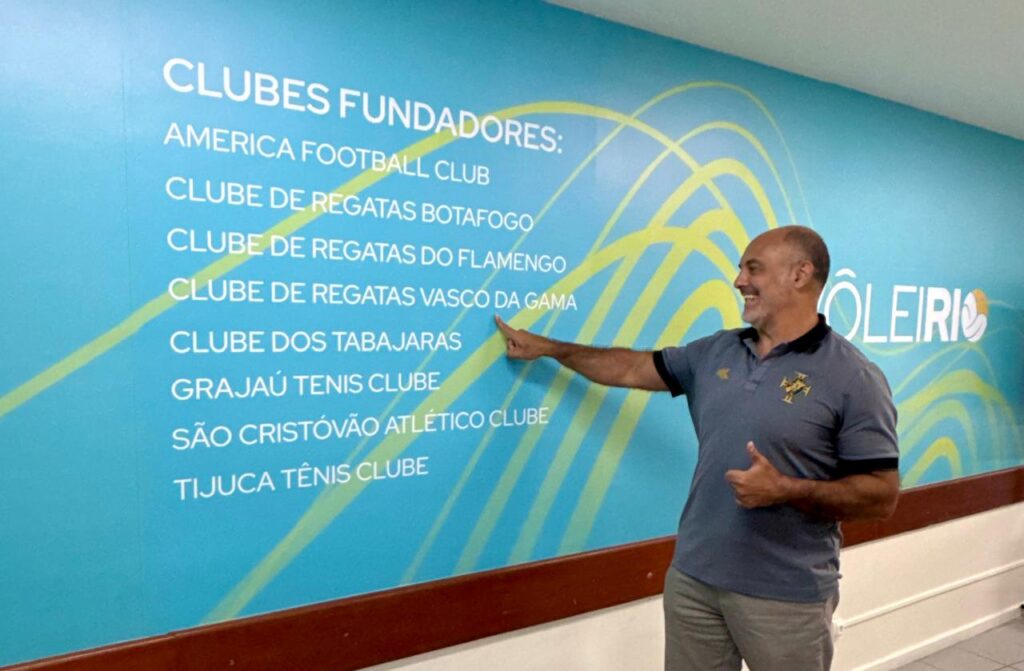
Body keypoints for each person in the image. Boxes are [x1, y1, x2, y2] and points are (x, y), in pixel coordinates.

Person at [494, 226, 899, 671]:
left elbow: (881, 495)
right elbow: (629, 368)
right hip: (694, 580)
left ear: (800, 274)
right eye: (741, 269)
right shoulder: (716, 351)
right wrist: (550, 348)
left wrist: (786, 489)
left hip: (785, 595)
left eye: (753, 268)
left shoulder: (853, 377)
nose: (739, 280)